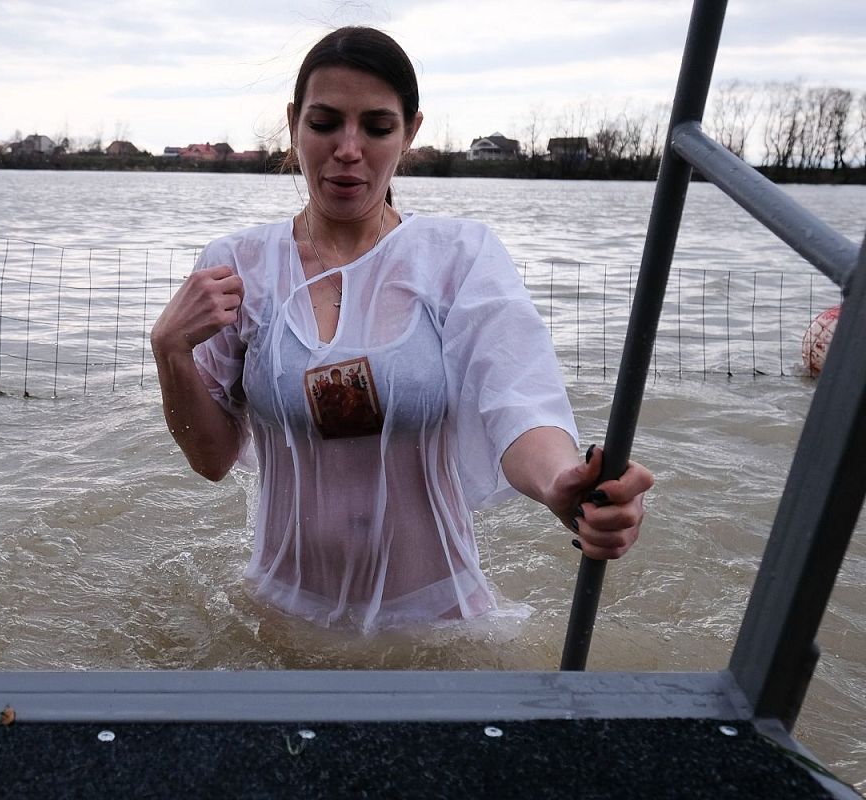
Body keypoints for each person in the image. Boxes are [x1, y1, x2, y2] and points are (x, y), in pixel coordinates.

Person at [151, 26, 653, 629]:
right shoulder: (239, 269)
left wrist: (561, 486)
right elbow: (210, 457)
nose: (347, 148)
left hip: (436, 624)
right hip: (275, 615)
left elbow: (519, 402)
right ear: (293, 123)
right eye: (325, 122)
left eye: (377, 126)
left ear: (411, 131)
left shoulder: (457, 257)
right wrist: (169, 351)